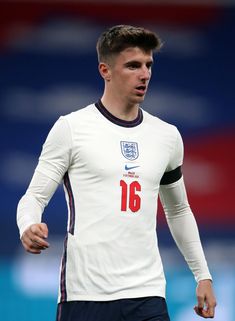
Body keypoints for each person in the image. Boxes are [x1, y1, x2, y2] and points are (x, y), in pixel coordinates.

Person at [17, 25, 217, 321]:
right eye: (133, 65)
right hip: (86, 296)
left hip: (147, 294)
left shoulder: (167, 136)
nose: (144, 74)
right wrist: (28, 225)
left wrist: (203, 274)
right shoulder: (71, 129)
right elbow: (33, 196)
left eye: (148, 65)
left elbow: (178, 210)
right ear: (105, 70)